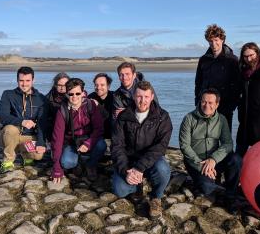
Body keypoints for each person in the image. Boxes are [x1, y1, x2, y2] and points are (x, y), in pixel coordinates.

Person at [111, 81, 172, 218]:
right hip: (129, 161)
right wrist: (125, 170)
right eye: (139, 96)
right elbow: (117, 146)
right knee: (119, 190)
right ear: (133, 96)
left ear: (151, 97)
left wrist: (140, 168)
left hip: (151, 161)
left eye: (146, 97)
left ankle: (156, 196)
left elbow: (160, 147)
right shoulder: (123, 117)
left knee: (163, 169)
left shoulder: (163, 117)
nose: (142, 101)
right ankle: (137, 189)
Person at [179, 88, 242, 214]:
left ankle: (230, 196)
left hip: (214, 161)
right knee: (206, 188)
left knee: (236, 159)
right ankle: (213, 186)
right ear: (200, 102)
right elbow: (184, 146)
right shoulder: (189, 119)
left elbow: (228, 144)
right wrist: (202, 165)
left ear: (217, 104)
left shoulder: (222, 120)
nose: (206, 105)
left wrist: (213, 160)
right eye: (203, 102)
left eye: (210, 103)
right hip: (196, 162)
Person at [51, 78, 106, 183]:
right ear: (67, 94)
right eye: (71, 94)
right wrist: (56, 167)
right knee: (67, 163)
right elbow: (57, 138)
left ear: (83, 92)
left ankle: (91, 165)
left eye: (77, 93)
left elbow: (99, 129)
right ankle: (78, 162)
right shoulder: (62, 110)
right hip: (72, 142)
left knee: (101, 145)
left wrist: (88, 143)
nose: (75, 97)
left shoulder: (90, 105)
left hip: (89, 138)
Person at [0, 66, 48, 173]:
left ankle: (26, 155)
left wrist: (40, 142)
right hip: (10, 136)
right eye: (21, 80)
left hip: (29, 137)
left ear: (33, 80)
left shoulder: (41, 99)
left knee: (38, 155)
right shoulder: (8, 94)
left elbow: (42, 123)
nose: (24, 84)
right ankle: (7, 161)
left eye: (27, 80)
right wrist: (22, 122)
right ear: (17, 80)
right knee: (11, 129)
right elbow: (3, 116)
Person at [195, 24, 239, 131]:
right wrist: (198, 101)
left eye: (216, 40)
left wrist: (232, 105)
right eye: (210, 41)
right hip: (205, 105)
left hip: (225, 106)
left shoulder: (232, 60)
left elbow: (237, 84)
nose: (213, 44)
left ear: (222, 40)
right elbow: (198, 82)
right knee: (205, 136)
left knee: (225, 136)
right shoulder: (203, 60)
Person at [88, 73, 114, 140]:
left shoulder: (115, 97)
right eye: (96, 85)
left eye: (102, 85)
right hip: (96, 135)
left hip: (112, 135)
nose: (98, 88)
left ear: (108, 86)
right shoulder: (90, 97)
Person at [46, 72, 70, 141]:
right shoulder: (47, 99)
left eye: (65, 85)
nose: (62, 88)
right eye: (60, 85)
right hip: (53, 130)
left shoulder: (74, 96)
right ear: (55, 85)